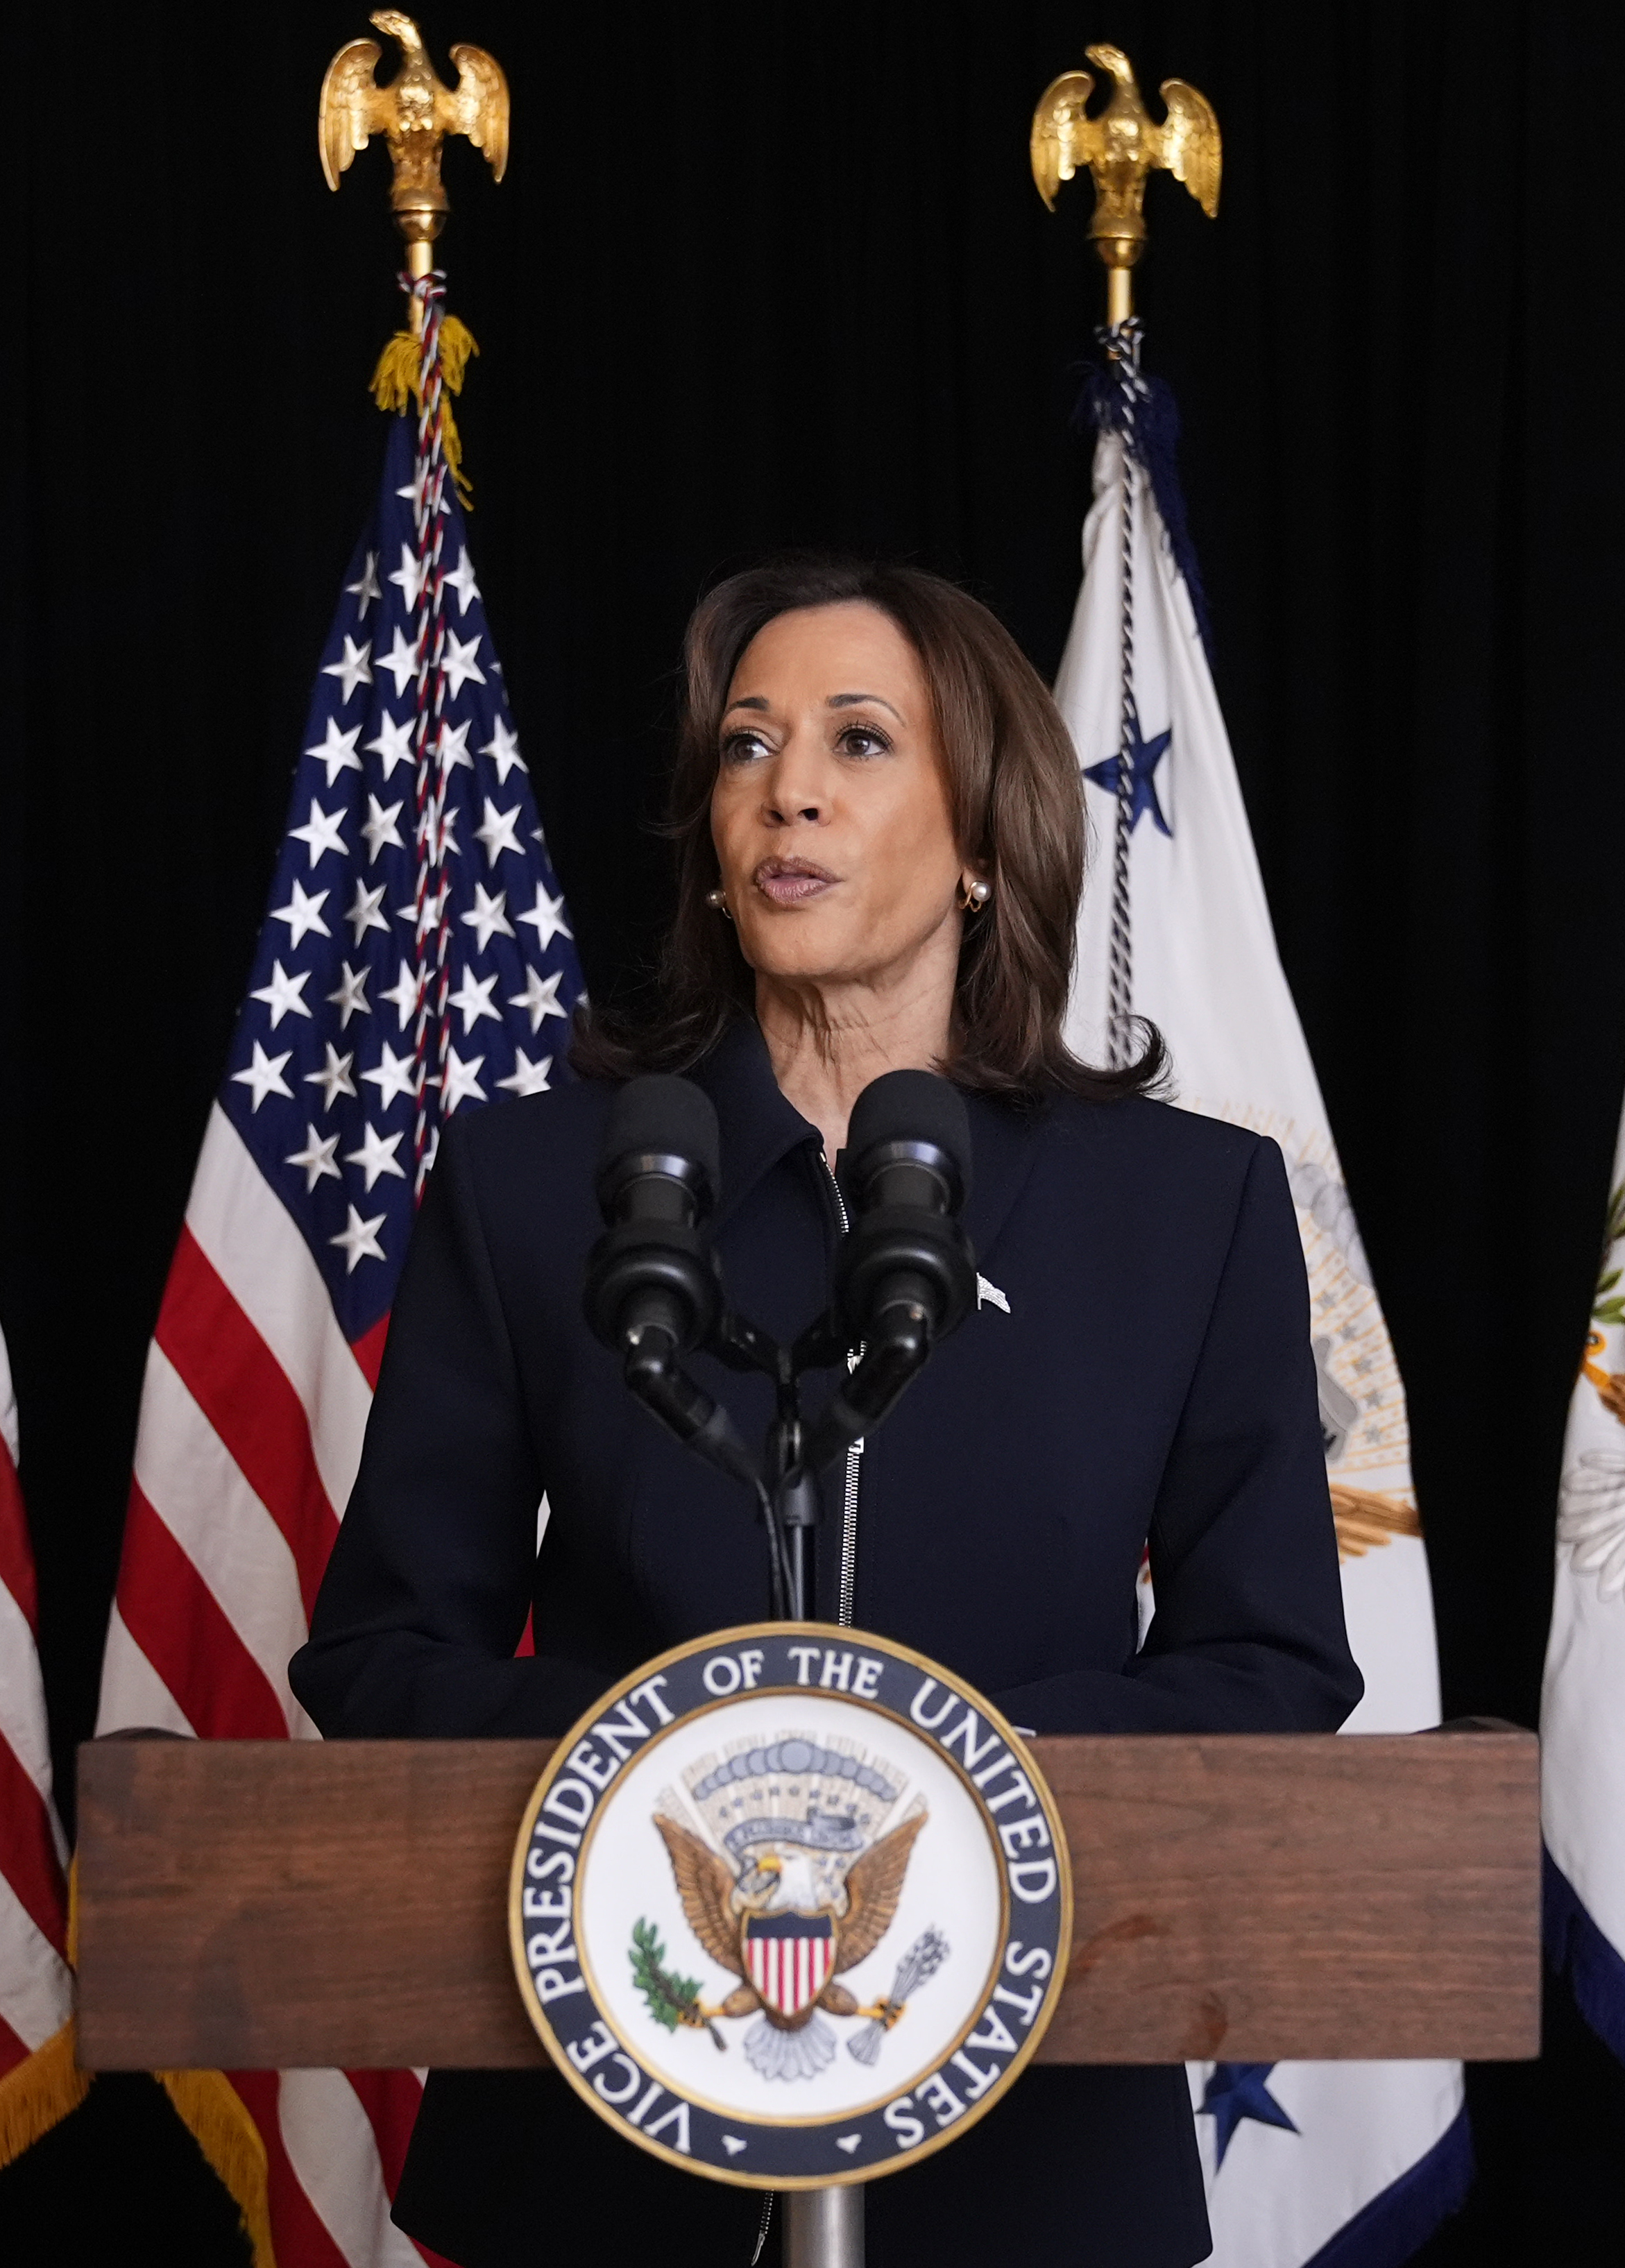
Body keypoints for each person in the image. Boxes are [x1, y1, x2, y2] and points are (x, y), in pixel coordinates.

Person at [291, 558, 1361, 2267]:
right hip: (606, 2156)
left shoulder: (1185, 1210)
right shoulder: (534, 1183)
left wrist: (945, 1794)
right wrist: (658, 1784)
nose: (786, 788)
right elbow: (380, 1647)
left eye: (860, 742)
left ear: (989, 835)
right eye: (745, 747)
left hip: (1034, 2150)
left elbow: (1275, 1666)